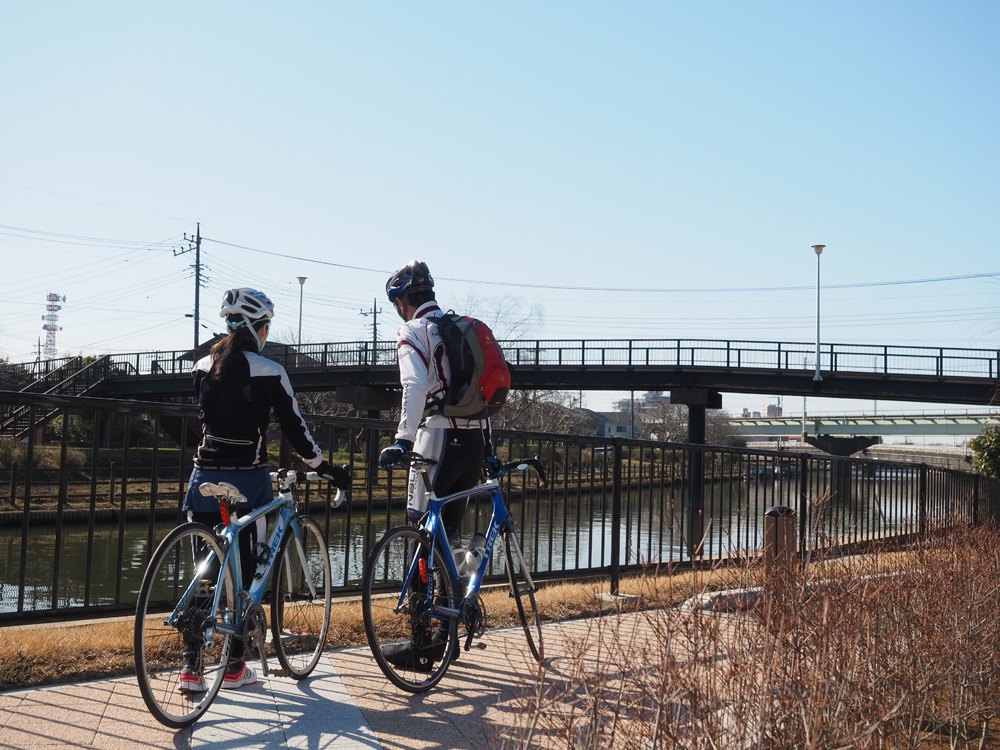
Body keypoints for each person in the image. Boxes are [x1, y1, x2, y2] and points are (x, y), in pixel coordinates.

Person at [179, 287, 350, 692]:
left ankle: (191, 668)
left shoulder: (203, 366)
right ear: (259, 328)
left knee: (206, 574)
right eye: (267, 327)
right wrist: (324, 468)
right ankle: (235, 666)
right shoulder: (271, 371)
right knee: (246, 573)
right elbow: (297, 430)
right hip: (248, 482)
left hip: (203, 478)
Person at [378, 261, 504, 671]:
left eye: (397, 301)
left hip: (437, 441)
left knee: (421, 536)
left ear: (403, 300)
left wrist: (402, 439)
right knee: (447, 539)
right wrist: (487, 448)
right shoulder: (457, 331)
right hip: (471, 441)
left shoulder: (413, 332)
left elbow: (413, 385)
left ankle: (420, 645)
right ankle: (445, 634)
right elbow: (478, 393)